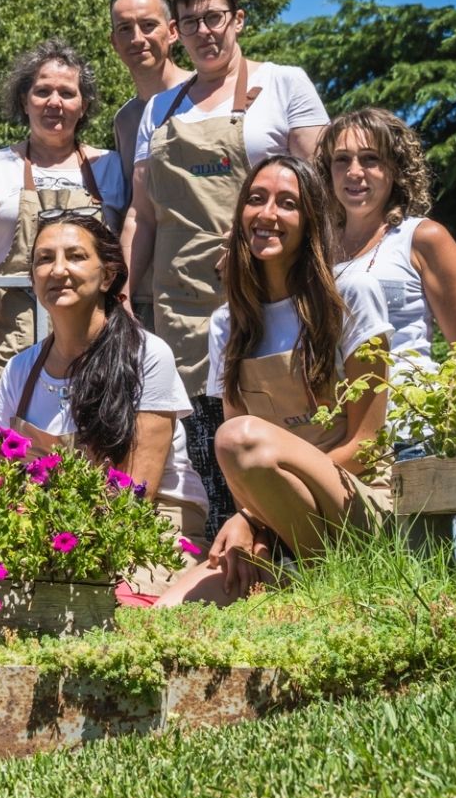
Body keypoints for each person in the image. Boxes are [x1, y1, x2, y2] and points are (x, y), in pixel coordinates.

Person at [122, 0, 331, 540]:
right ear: (176, 34)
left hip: (272, 290)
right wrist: (124, 287)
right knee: (203, 439)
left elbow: (318, 190)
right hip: (182, 299)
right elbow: (143, 213)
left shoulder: (284, 84)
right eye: (191, 23)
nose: (205, 32)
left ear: (237, 19)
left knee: (279, 418)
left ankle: (297, 544)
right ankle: (224, 557)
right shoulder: (158, 109)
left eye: (214, 18)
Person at [155, 156, 392, 608]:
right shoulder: (228, 322)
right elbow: (241, 468)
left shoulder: (352, 294)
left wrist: (251, 516)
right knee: (169, 610)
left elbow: (367, 444)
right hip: (273, 512)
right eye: (257, 199)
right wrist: (252, 520)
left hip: (354, 500)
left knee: (240, 438)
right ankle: (290, 584)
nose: (268, 214)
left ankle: (335, 584)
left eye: (287, 203)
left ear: (310, 221)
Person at [0, 213, 207, 599]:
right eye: (44, 259)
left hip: (150, 528)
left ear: (107, 276)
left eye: (75, 256)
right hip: (53, 533)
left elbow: (136, 492)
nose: (58, 270)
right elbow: (3, 481)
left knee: (113, 608)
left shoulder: (147, 355)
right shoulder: (18, 371)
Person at [0, 40, 129, 429]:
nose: (53, 102)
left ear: (84, 104)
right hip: (10, 337)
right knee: (10, 453)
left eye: (67, 92)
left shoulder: (110, 167)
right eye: (42, 91)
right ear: (24, 100)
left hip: (95, 338)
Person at [319, 108, 456, 389]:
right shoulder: (316, 248)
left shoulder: (422, 238)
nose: (354, 172)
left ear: (395, 168)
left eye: (370, 159)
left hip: (407, 419)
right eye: (342, 160)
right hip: (331, 422)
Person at [109, 0, 191, 169]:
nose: (137, 39)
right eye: (125, 29)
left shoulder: (204, 93)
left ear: (172, 32)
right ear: (114, 42)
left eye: (148, 25)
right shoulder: (125, 120)